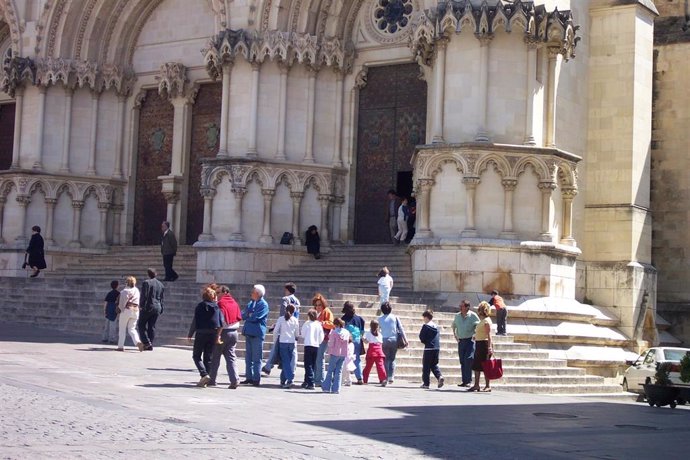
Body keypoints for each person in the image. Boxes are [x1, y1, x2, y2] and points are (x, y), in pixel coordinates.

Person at [187, 286, 223, 388]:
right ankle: (206, 379)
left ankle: (204, 374)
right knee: (208, 357)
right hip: (213, 333)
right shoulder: (217, 307)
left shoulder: (199, 306)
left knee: (196, 355)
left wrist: (190, 334)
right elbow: (221, 323)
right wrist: (218, 335)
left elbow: (195, 321)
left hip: (201, 333)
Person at [263, 282, 300, 376]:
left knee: (276, 347)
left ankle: (268, 366)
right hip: (293, 326)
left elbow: (283, 313)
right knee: (293, 352)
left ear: (287, 290)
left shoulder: (285, 299)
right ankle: (292, 369)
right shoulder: (297, 301)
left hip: (284, 327)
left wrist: (277, 325)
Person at [209, 285, 243, 389]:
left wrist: (218, 335)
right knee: (231, 357)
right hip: (234, 332)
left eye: (218, 293)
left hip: (223, 332)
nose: (217, 295)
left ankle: (212, 379)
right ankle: (235, 379)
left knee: (215, 357)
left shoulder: (221, 304)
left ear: (225, 293)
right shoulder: (234, 303)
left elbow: (221, 321)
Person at [241, 284, 269, 386]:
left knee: (257, 358)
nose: (251, 293)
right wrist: (248, 315)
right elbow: (243, 314)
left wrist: (249, 315)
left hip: (257, 333)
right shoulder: (251, 303)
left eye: (253, 292)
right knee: (248, 357)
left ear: (257, 293)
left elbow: (256, 317)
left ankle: (256, 378)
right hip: (248, 332)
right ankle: (248, 377)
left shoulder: (263, 304)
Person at [451, 300, 480, 387]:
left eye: (462, 306)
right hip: (461, 341)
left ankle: (468, 380)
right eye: (460, 306)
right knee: (462, 360)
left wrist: (475, 334)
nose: (460, 307)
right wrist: (455, 335)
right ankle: (464, 381)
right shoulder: (457, 316)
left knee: (468, 359)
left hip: (470, 341)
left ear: (467, 307)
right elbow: (453, 326)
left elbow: (478, 326)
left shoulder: (473, 315)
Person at [379, 301, 407, 384]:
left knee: (386, 359)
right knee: (392, 358)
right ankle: (391, 376)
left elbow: (378, 330)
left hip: (384, 339)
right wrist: (405, 339)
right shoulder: (395, 317)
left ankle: (386, 376)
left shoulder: (379, 319)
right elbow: (401, 329)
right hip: (394, 339)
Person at [469, 301, 493, 393]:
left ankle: (487, 385)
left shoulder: (486, 321)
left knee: (485, 365)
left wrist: (489, 347)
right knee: (477, 365)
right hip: (479, 343)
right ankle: (476, 384)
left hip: (484, 344)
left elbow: (489, 335)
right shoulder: (482, 321)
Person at [321, 318, 351, 394]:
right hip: (343, 353)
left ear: (336, 324)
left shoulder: (333, 332)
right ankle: (336, 389)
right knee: (339, 371)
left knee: (330, 370)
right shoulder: (346, 332)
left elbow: (331, 344)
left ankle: (326, 387)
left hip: (335, 352)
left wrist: (328, 349)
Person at [138, 268, 165, 351]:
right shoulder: (161, 284)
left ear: (148, 274)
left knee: (141, 325)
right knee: (152, 326)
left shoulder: (146, 283)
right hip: (157, 307)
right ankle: (150, 343)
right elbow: (162, 298)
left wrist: (141, 305)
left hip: (148, 307)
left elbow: (144, 296)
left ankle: (147, 343)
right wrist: (161, 308)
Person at [273, 304, 300, 388]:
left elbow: (275, 331)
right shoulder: (295, 320)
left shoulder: (281, 319)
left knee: (285, 362)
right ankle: (284, 379)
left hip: (283, 342)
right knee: (288, 362)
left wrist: (275, 341)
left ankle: (288, 378)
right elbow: (297, 333)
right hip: (291, 342)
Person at [116, 276, 144, 352]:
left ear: (126, 282)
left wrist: (119, 310)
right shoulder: (137, 290)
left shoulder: (124, 291)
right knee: (132, 328)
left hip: (127, 310)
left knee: (122, 329)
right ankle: (137, 342)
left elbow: (122, 303)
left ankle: (120, 346)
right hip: (136, 310)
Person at [313, 293, 334, 386]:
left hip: (324, 338)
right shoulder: (314, 312)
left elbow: (331, 324)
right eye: (316, 305)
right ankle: (315, 378)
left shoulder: (327, 311)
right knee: (316, 359)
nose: (318, 307)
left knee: (320, 358)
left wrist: (322, 323)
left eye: (319, 305)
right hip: (314, 339)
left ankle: (320, 379)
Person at [419, 310, 444, 389]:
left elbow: (422, 337)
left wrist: (425, 341)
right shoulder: (436, 326)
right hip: (436, 347)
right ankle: (439, 376)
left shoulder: (426, 326)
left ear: (426, 317)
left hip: (428, 348)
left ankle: (426, 383)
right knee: (434, 364)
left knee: (426, 366)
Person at [341, 301, 365, 385]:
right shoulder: (359, 319)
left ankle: (346, 378)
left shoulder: (343, 319)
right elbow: (362, 331)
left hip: (348, 340)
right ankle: (360, 378)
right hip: (358, 340)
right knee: (357, 359)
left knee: (346, 359)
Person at [300, 309, 324, 390]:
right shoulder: (318, 324)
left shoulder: (307, 323)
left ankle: (310, 382)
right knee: (313, 364)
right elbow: (321, 336)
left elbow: (302, 334)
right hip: (316, 346)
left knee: (308, 364)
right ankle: (306, 381)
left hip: (308, 345)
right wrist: (318, 342)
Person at [362, 319, 387, 386]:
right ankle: (383, 379)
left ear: (370, 325)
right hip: (379, 351)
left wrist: (362, 338)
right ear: (378, 326)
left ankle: (365, 380)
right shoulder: (380, 334)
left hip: (372, 351)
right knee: (380, 366)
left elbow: (366, 342)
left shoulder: (368, 333)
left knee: (368, 367)